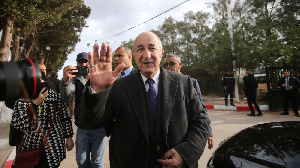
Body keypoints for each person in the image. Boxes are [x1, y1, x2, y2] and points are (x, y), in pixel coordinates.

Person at [79, 32, 210, 168]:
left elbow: (201, 121)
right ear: (134, 56)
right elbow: (92, 122)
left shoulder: (183, 83)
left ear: (161, 53)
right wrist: (97, 91)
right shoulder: (118, 87)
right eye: (140, 49)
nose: (147, 55)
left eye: (152, 48)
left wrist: (186, 153)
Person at [11, 72, 74, 168]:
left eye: (41, 80)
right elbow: (19, 126)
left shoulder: (56, 98)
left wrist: (69, 137)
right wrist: (34, 104)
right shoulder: (21, 102)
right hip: (31, 147)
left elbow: (64, 118)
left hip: (53, 145)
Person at [60, 52, 108, 168]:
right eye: (80, 62)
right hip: (82, 127)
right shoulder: (74, 79)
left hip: (99, 126)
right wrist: (65, 81)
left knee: (97, 162)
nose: (84, 64)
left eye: (86, 61)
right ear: (77, 64)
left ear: (91, 62)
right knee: (81, 161)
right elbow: (67, 96)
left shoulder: (99, 75)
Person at [164, 54, 214, 149]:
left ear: (180, 65)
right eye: (166, 64)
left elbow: (201, 109)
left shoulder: (191, 82)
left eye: (172, 63)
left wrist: (209, 132)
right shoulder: (163, 84)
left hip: (188, 134)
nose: (168, 66)